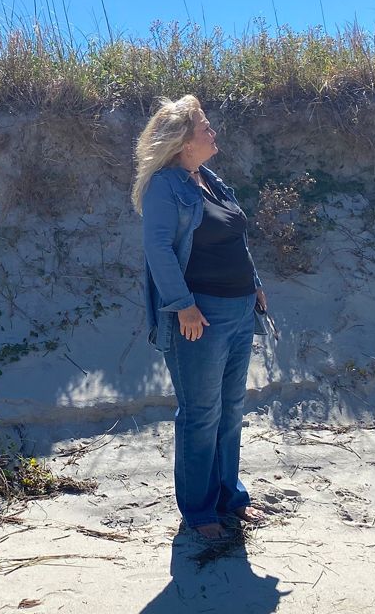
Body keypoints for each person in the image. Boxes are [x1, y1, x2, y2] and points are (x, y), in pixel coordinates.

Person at [132, 94, 268, 540]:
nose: (214, 134)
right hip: (199, 316)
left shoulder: (208, 179)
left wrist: (255, 282)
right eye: (206, 128)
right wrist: (183, 304)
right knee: (201, 413)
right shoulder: (164, 187)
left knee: (230, 410)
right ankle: (198, 510)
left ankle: (231, 496)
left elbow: (234, 237)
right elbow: (158, 251)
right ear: (183, 141)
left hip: (240, 308)